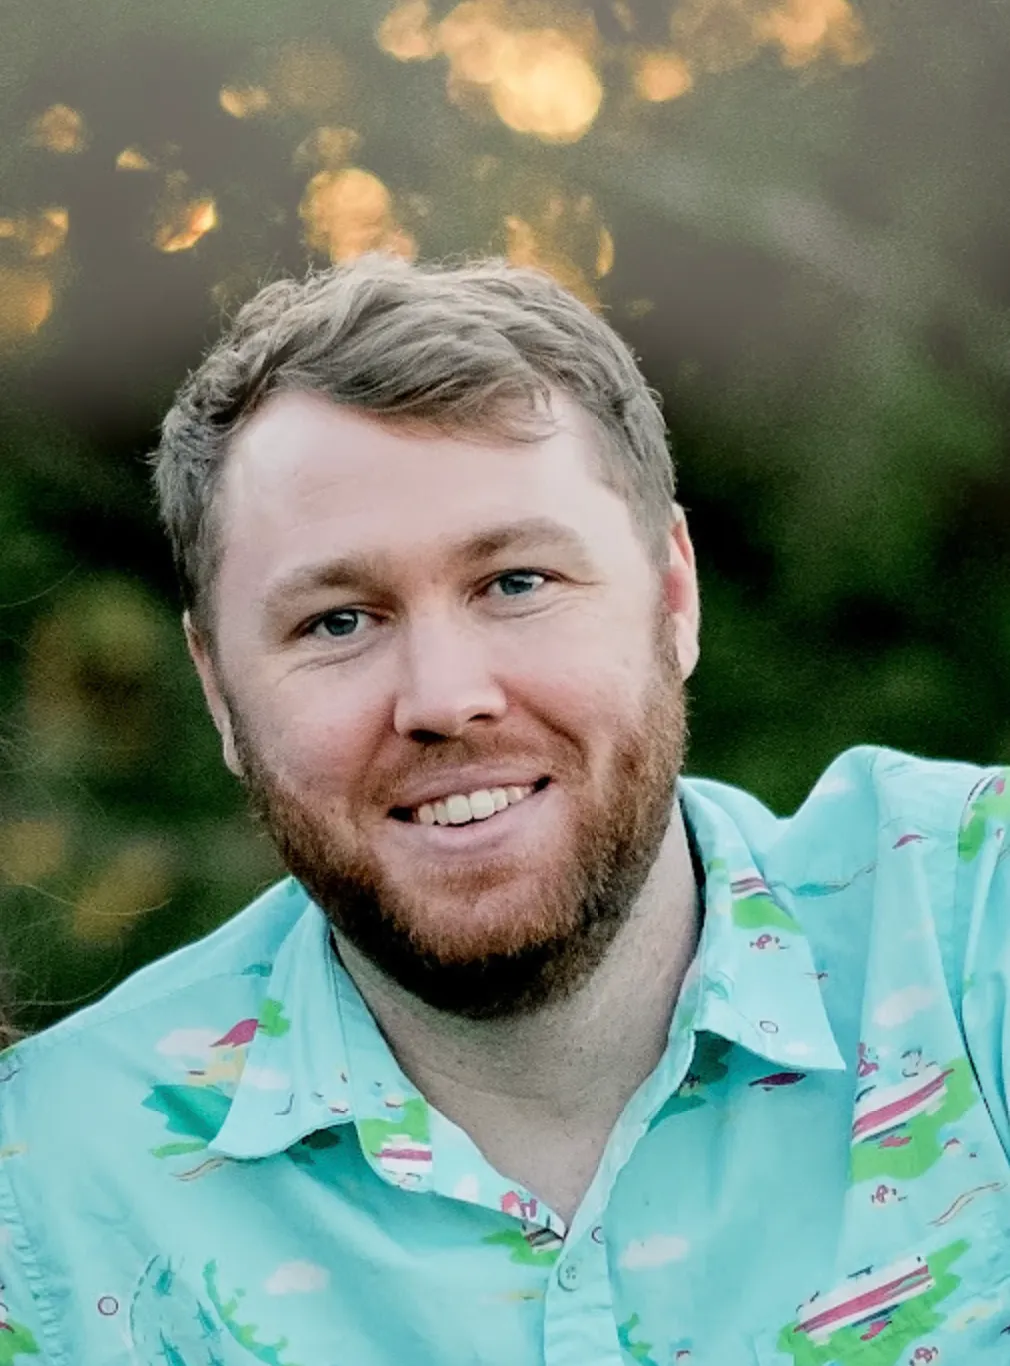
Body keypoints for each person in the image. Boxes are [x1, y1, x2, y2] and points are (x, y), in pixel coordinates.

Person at [2, 255, 1008, 1366]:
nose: (442, 698)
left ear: (672, 596)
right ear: (218, 694)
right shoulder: (52, 1192)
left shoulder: (970, 925)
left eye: (515, 582)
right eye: (336, 621)